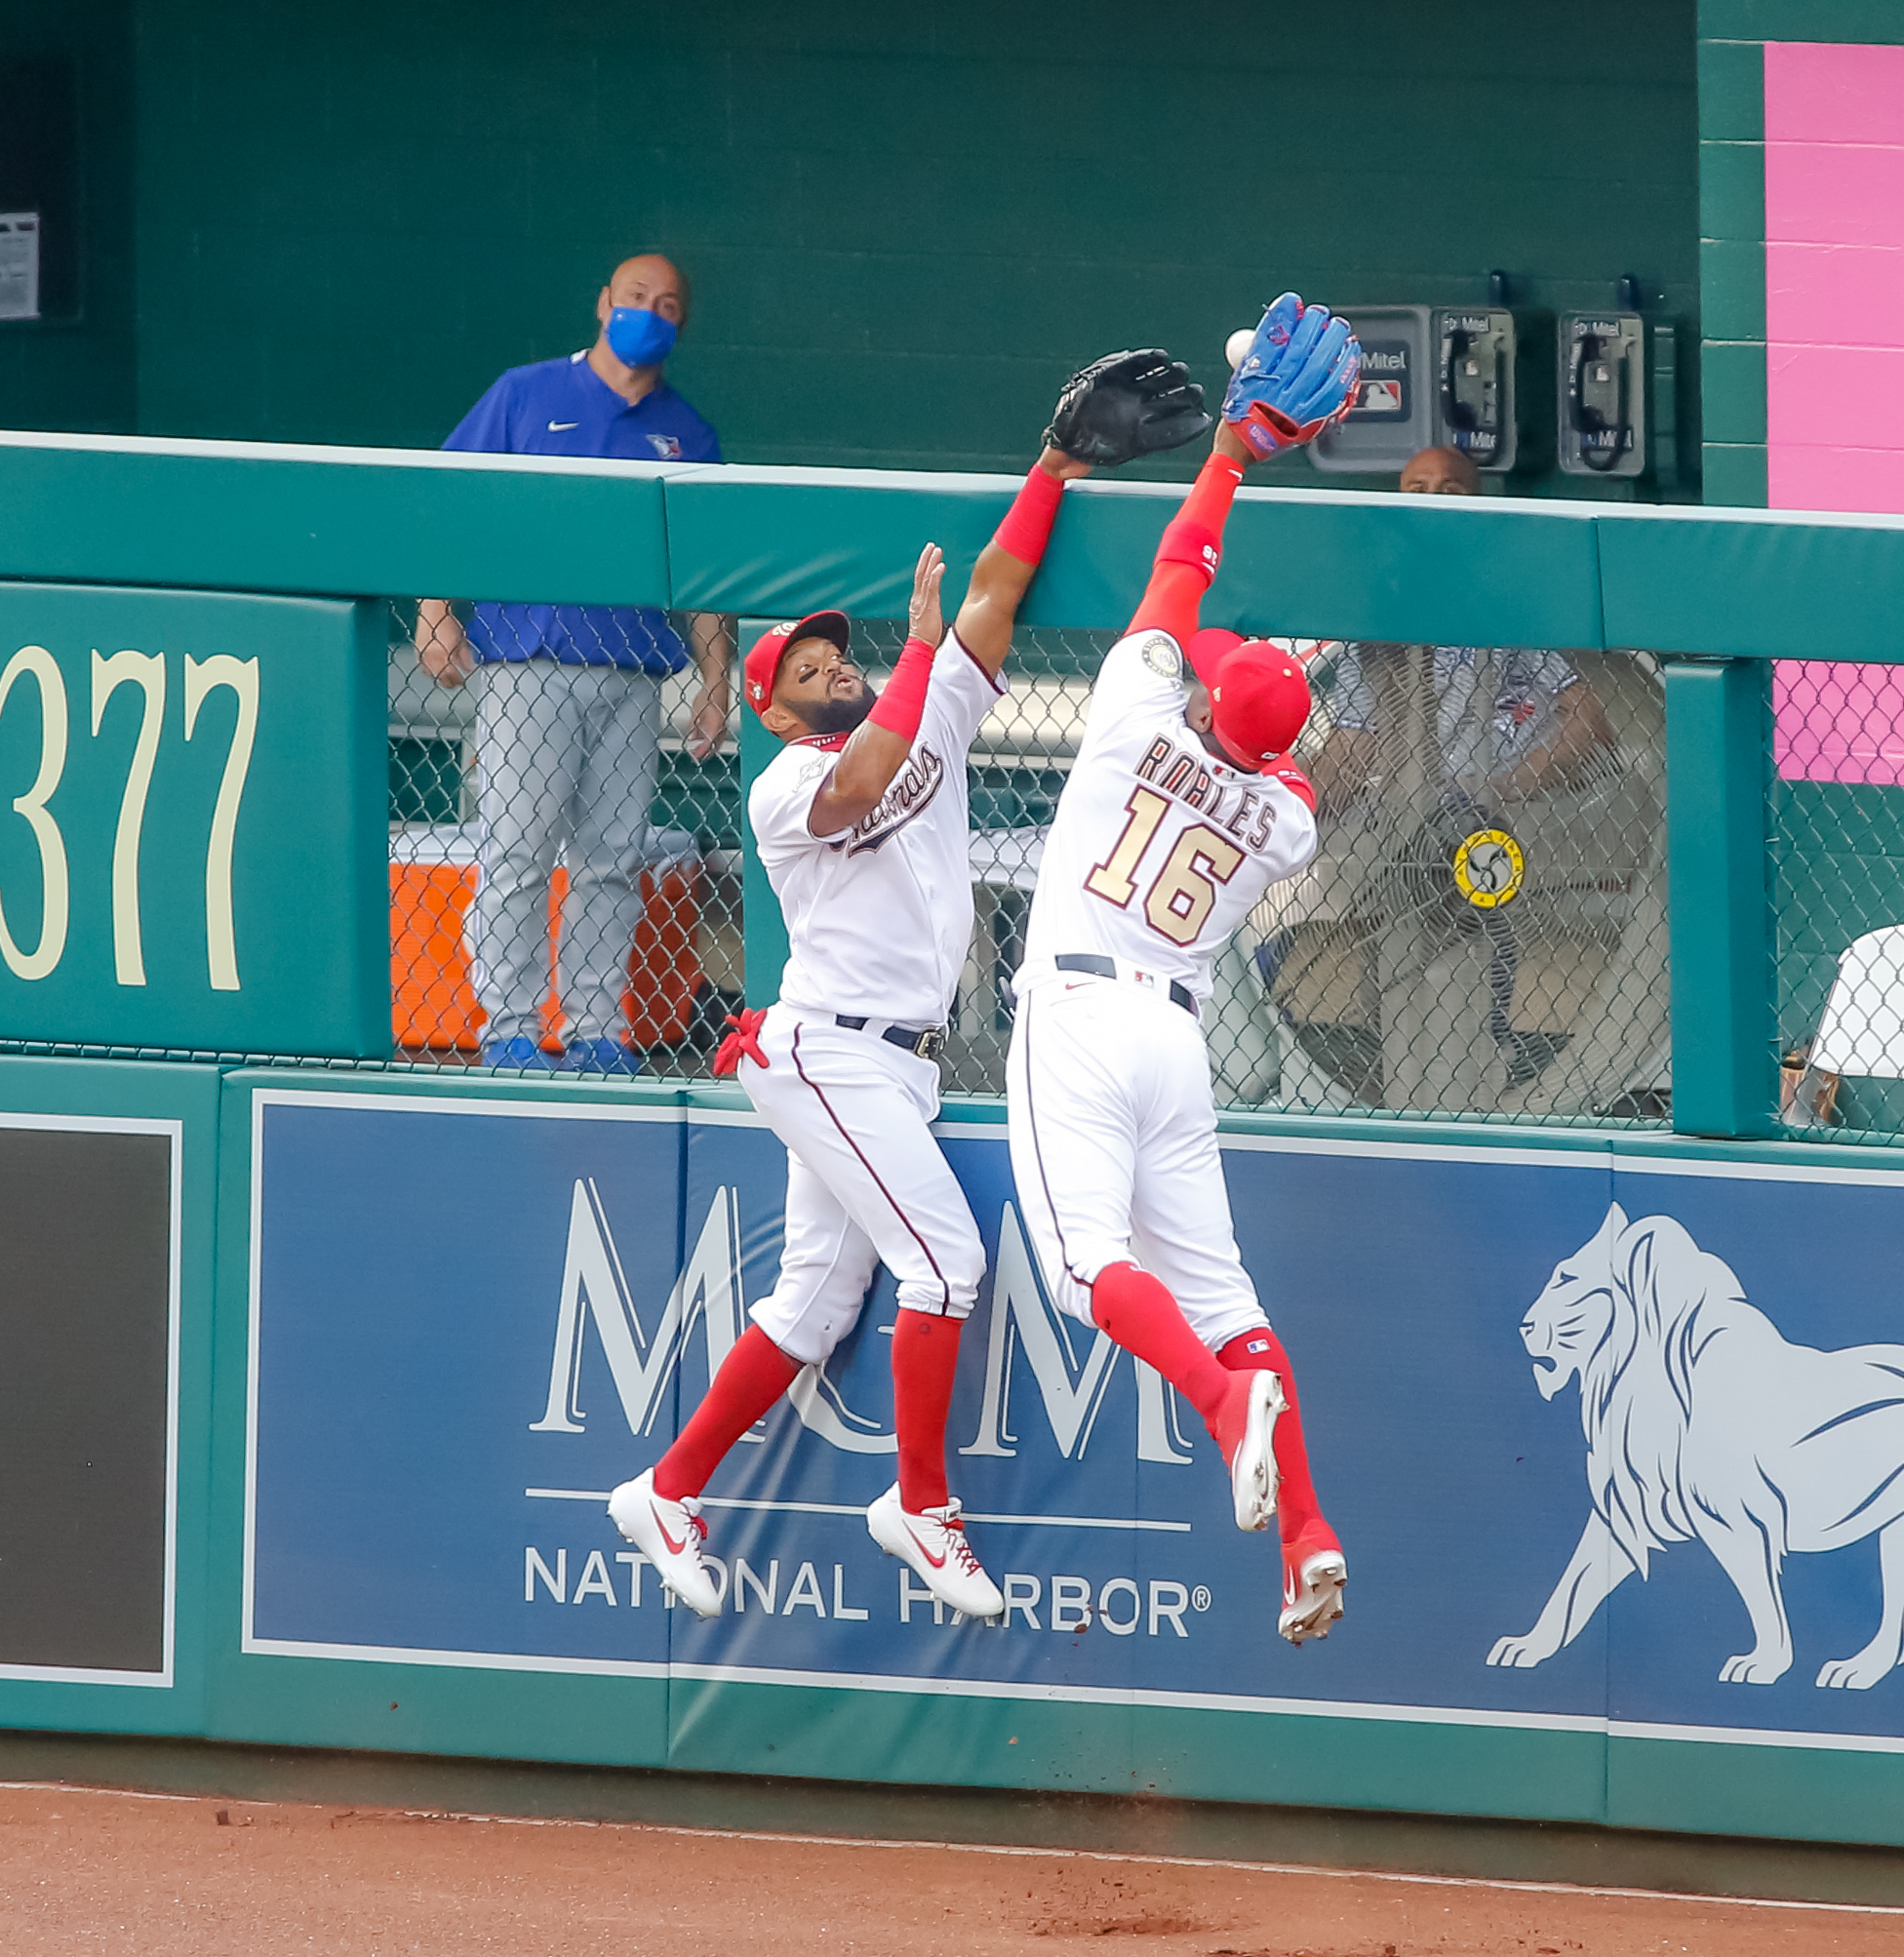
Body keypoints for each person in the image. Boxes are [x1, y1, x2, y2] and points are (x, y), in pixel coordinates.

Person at [607, 351, 1211, 1625]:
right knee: (944, 1259)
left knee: (815, 1300)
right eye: (803, 666)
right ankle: (919, 1506)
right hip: (826, 1045)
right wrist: (921, 660)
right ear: (767, 706)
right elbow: (856, 784)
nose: (829, 664)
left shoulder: (926, 706)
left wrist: (1052, 470)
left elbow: (998, 586)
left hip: (894, 1057)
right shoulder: (785, 783)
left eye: (835, 651)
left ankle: (666, 1485)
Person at [1006, 295, 1360, 1645]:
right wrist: (1272, 702)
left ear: (1208, 699)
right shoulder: (1286, 815)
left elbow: (1181, 566)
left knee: (1083, 1263)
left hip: (1081, 1009)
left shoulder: (1133, 712)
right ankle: (1309, 1535)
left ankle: (1220, 1409)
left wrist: (1236, 450)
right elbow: (1272, 732)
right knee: (1229, 1300)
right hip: (1178, 1037)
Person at [416, 252, 736, 1074]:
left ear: (681, 323)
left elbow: (706, 572)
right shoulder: (525, 394)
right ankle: (510, 1030)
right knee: (517, 853)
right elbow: (451, 498)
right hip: (529, 661)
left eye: (666, 304)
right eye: (635, 298)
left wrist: (715, 676)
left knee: (610, 861)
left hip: (631, 671)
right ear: (602, 305)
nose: (649, 313)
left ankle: (597, 1028)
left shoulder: (687, 431)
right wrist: (436, 610)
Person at [1310, 446, 1615, 821]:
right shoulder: (1376, 619)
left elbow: (1588, 720)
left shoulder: (1502, 603)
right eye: (1417, 491)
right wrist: (1293, 811)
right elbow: (1353, 742)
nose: (1432, 503)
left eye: (1450, 491)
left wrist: (1504, 787)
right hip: (1410, 820)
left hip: (1512, 816)